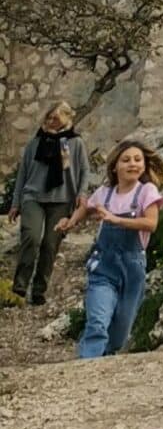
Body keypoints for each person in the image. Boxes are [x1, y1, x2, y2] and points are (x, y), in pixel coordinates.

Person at [59, 139, 163, 360]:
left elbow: (151, 223)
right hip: (104, 266)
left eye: (138, 160)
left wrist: (116, 220)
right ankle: (87, 364)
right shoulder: (105, 193)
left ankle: (105, 360)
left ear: (144, 165)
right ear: (115, 166)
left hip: (132, 268)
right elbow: (86, 207)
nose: (132, 164)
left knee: (120, 333)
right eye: (126, 160)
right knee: (98, 321)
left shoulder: (146, 191)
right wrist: (70, 221)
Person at [5, 104, 88, 307]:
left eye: (56, 118)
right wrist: (15, 203)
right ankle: (19, 287)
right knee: (31, 237)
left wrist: (82, 194)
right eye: (48, 117)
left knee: (50, 245)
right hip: (33, 197)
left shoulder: (75, 143)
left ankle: (39, 290)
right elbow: (23, 174)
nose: (51, 122)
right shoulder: (35, 143)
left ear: (67, 119)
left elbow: (84, 171)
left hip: (62, 200)